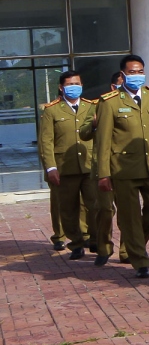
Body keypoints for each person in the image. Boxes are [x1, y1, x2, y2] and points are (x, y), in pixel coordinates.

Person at [94, 55, 149, 279]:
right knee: (130, 215)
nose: (137, 76)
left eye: (140, 71)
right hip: (123, 169)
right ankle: (140, 260)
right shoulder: (110, 101)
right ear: (123, 74)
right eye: (133, 72)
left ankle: (132, 245)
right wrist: (103, 174)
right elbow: (104, 141)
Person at [38, 70, 99, 260]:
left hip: (89, 165)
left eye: (77, 84)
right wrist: (50, 167)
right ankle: (76, 243)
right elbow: (46, 141)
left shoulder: (92, 107)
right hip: (65, 167)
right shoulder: (52, 110)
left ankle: (96, 239)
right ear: (61, 87)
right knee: (68, 208)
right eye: (70, 84)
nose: (75, 87)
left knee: (95, 205)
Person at [80, 72, 128, 265]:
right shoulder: (97, 105)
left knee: (128, 211)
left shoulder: (137, 105)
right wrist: (93, 123)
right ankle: (104, 247)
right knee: (105, 210)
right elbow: (83, 133)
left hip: (125, 167)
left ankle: (127, 250)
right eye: (120, 85)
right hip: (103, 167)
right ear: (112, 87)